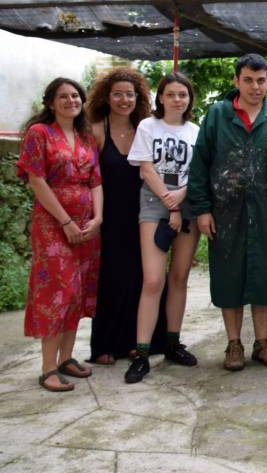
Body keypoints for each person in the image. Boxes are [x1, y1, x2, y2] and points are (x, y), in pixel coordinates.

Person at [188, 54, 267, 371]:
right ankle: (233, 344)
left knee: (266, 277)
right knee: (229, 277)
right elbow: (199, 166)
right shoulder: (217, 116)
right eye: (248, 80)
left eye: (261, 80)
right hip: (225, 213)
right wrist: (202, 210)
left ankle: (262, 343)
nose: (255, 86)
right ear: (236, 80)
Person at [17, 78, 101, 392]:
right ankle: (48, 367)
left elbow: (96, 181)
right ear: (51, 103)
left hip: (87, 224)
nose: (71, 100)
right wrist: (66, 221)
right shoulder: (39, 134)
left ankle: (67, 358)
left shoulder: (85, 136)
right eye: (63, 96)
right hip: (54, 224)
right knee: (57, 291)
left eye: (75, 95)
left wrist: (99, 217)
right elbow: (36, 181)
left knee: (77, 291)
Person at [123, 72, 202, 383]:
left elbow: (198, 171)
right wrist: (170, 204)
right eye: (171, 94)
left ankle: (172, 342)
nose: (177, 99)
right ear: (161, 98)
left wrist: (180, 201)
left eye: (183, 94)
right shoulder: (147, 126)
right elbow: (145, 167)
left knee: (179, 276)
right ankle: (141, 353)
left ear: (189, 99)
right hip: (156, 203)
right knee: (153, 280)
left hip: (187, 203)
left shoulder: (196, 131)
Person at [85, 67, 165, 365]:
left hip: (144, 212)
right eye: (117, 93)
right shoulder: (95, 129)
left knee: (142, 277)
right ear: (107, 97)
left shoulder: (145, 128)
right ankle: (105, 344)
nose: (124, 99)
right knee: (109, 278)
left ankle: (138, 342)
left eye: (129, 94)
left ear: (139, 98)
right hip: (109, 215)